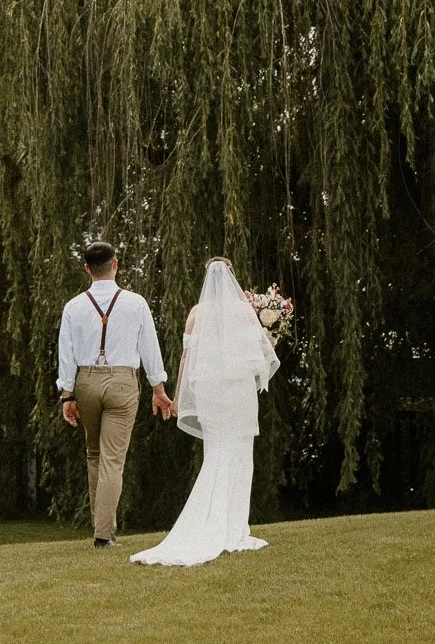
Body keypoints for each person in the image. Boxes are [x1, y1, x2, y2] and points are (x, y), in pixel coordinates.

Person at [130, 256, 278, 568]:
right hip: (238, 394)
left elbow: (186, 358)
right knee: (239, 456)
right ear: (232, 278)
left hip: (210, 394)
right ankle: (234, 529)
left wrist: (180, 397)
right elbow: (264, 355)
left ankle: (225, 526)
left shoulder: (196, 314)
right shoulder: (245, 311)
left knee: (216, 453)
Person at [57, 241, 174, 547]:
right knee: (112, 459)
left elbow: (65, 354)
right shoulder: (136, 303)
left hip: (85, 382)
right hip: (122, 381)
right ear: (116, 264)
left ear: (87, 269)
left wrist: (67, 395)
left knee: (93, 454)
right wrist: (158, 388)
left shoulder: (73, 306)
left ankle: (102, 528)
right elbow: (150, 347)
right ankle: (103, 535)